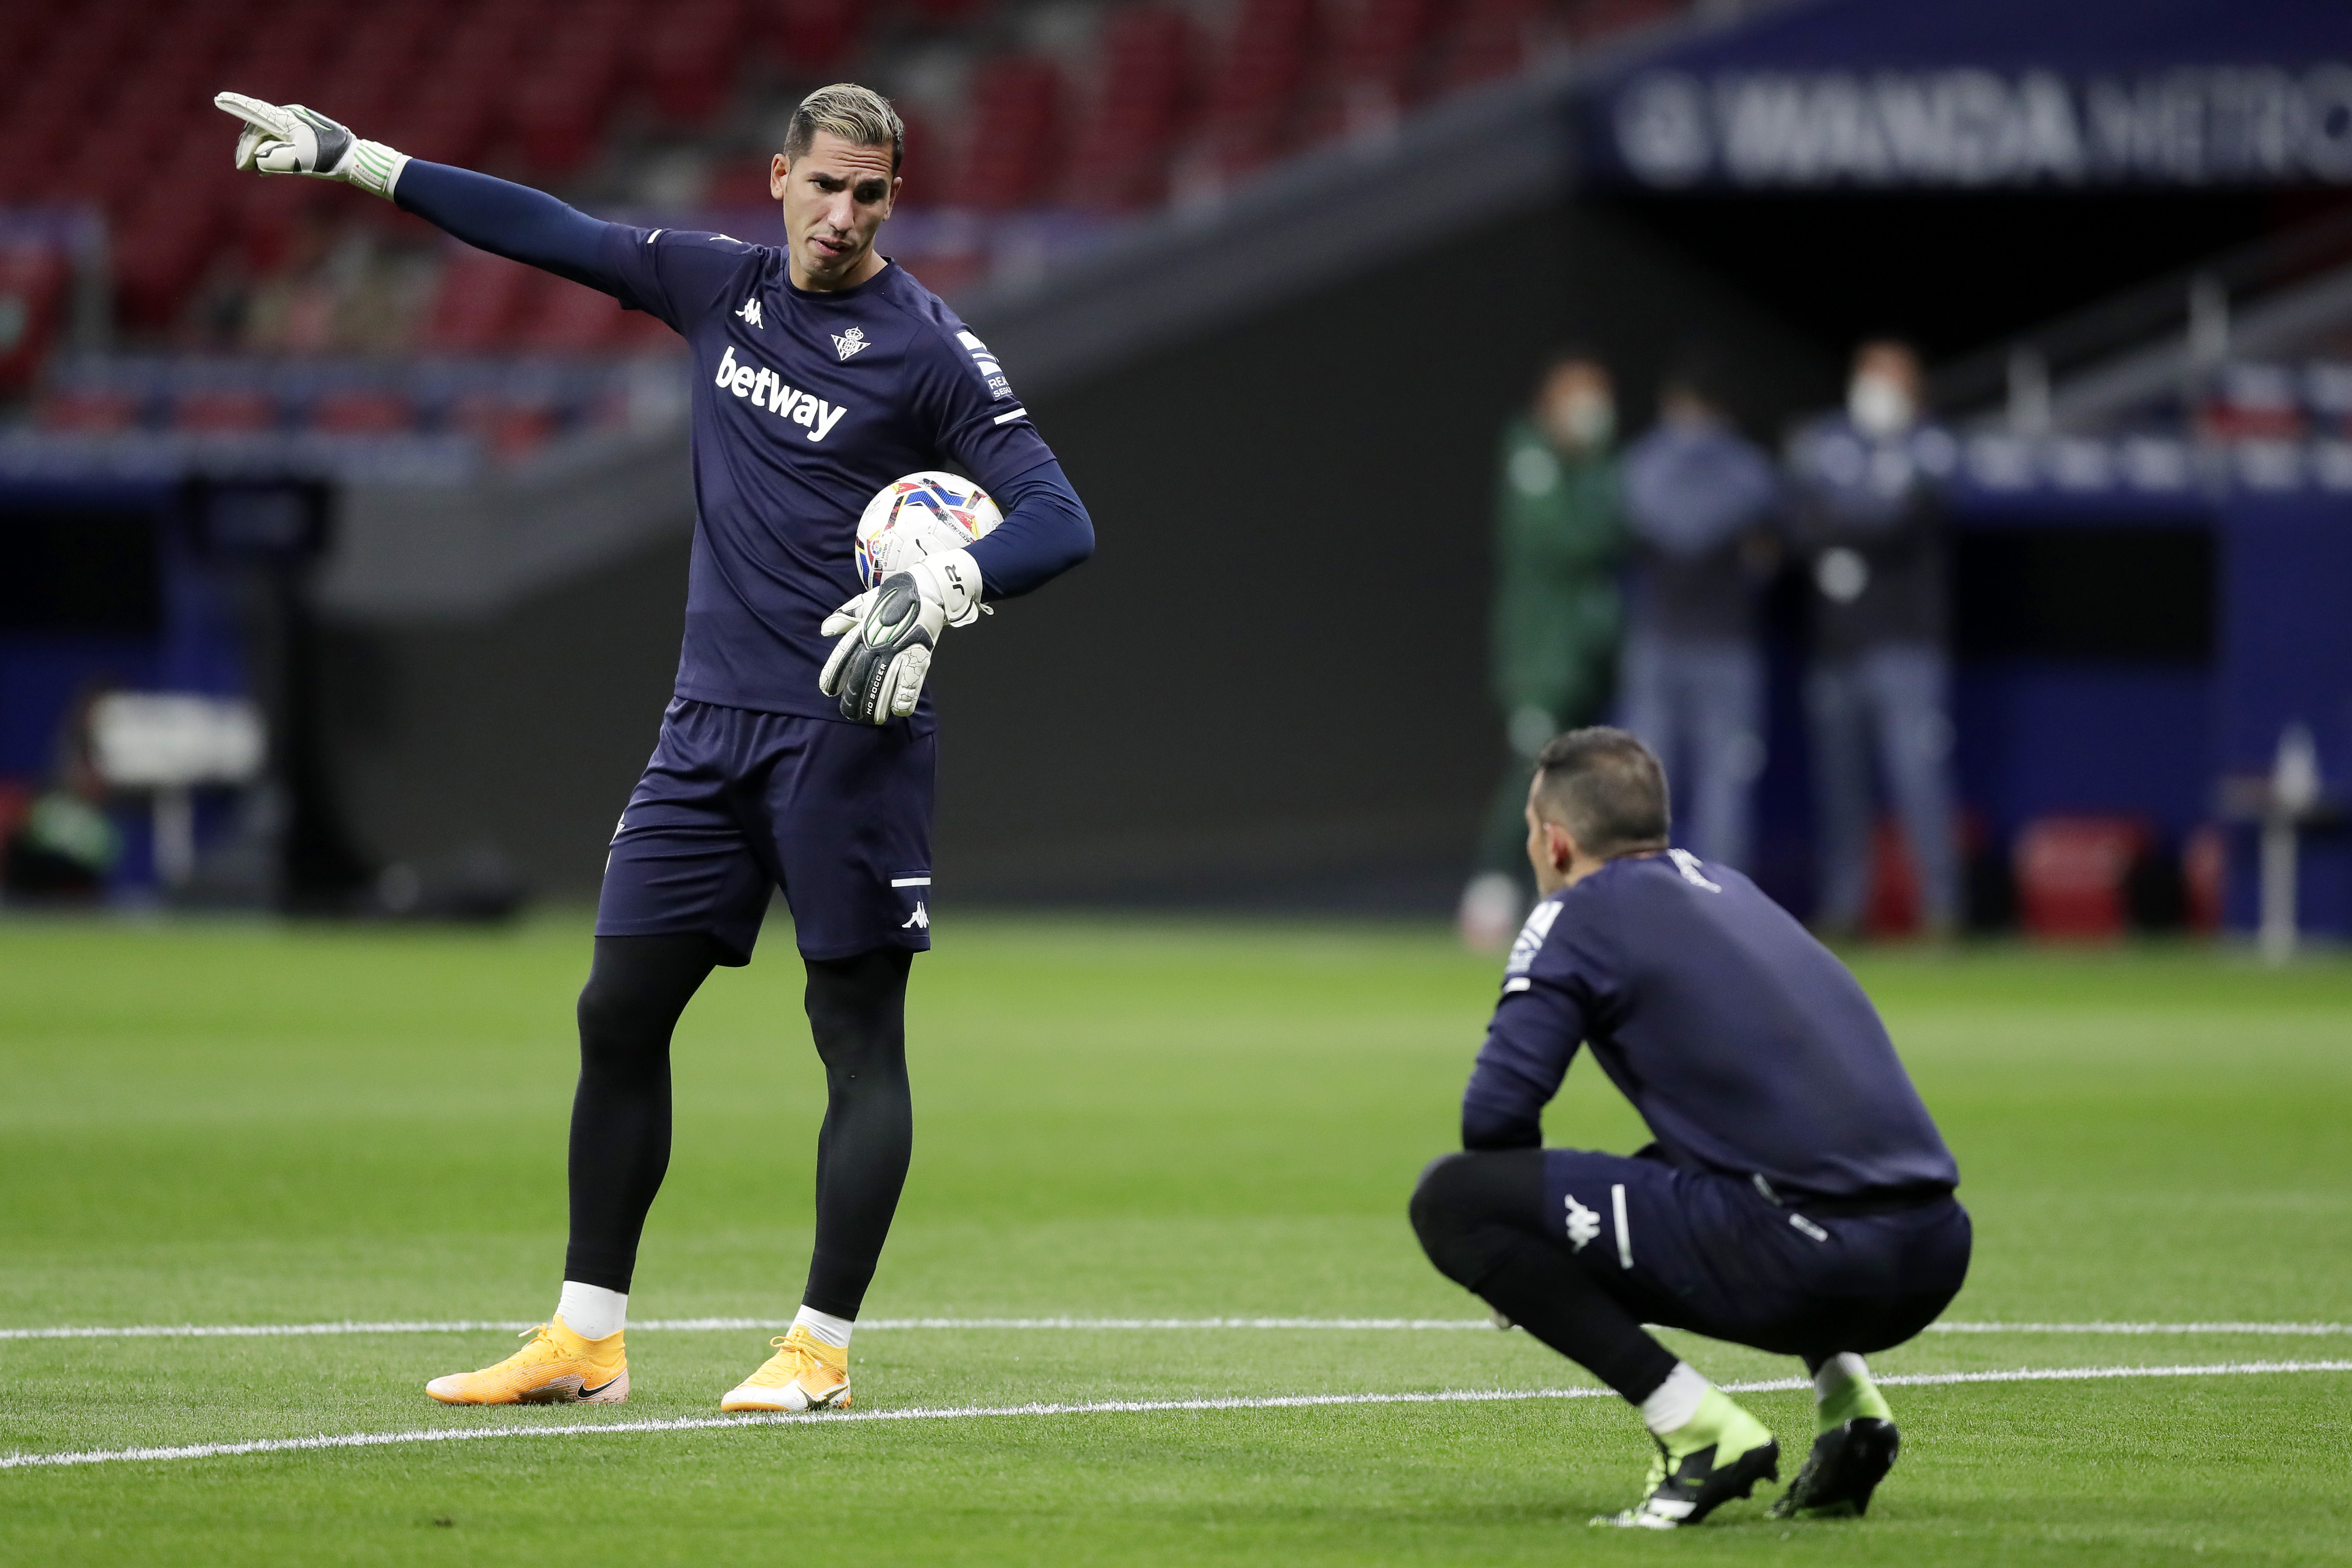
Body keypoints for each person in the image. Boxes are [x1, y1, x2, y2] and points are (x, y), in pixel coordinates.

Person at [214, 84, 1095, 1412]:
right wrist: (363, 160)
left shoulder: (925, 348)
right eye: (824, 185)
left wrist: (945, 582)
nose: (842, 215)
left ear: (892, 199)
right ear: (779, 176)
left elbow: (1057, 516)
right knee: (617, 1010)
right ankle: (586, 1339)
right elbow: (549, 232)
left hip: (845, 738)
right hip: (703, 734)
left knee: (855, 1037)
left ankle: (818, 1350)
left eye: (868, 194)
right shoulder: (718, 288)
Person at [1409, 728, 1969, 1528]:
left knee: (1454, 1201)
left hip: (1815, 1264)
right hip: (1933, 1252)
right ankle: (1850, 1409)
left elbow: (1495, 1116)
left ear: (1554, 842)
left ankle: (1699, 1433)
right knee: (1705, 1160)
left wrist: (1517, 1253)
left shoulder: (1574, 915)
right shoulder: (1734, 892)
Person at [1786, 341, 1962, 937]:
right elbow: (1799, 517)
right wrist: (1845, 520)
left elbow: (1896, 516)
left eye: (1890, 380)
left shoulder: (1929, 443)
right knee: (1841, 789)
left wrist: (1842, 528)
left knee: (1919, 780)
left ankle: (1941, 906)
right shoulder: (1827, 439)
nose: (1877, 391)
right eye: (1870, 377)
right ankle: (1844, 906)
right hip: (1837, 647)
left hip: (1907, 644)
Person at [1459, 350, 1625, 950]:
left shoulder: (1599, 466)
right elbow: (1563, 538)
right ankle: (1489, 885)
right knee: (1533, 768)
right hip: (1537, 654)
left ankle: (1554, 895)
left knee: (1580, 780)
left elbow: (1614, 525)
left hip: (1589, 654)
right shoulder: (1529, 454)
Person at [1616, 357, 1779, 872]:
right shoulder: (1748, 469)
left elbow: (1662, 522)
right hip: (1713, 642)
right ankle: (1716, 907)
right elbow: (1757, 545)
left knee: (1646, 789)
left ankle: (1636, 901)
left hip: (1672, 640)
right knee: (1718, 788)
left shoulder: (1643, 463)